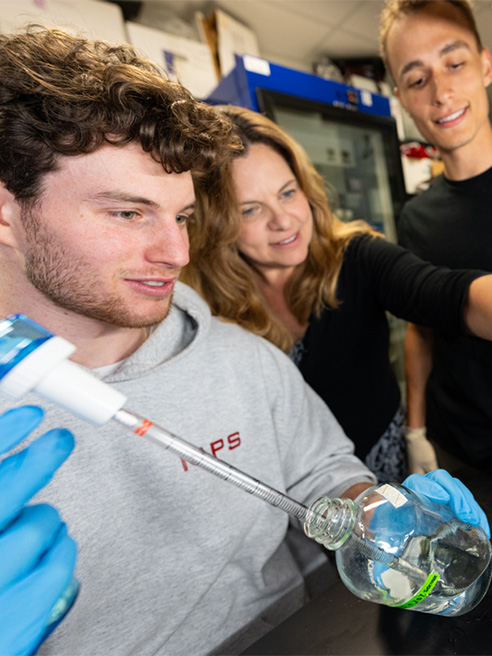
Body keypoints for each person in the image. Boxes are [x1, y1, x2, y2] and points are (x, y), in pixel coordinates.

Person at [0, 25, 488, 656]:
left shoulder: (241, 356)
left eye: (180, 216)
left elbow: (320, 469)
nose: (174, 252)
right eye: (128, 212)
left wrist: (376, 510)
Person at [182, 104, 492, 483]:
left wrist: (415, 432)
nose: (283, 220)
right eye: (250, 210)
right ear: (217, 223)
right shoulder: (207, 304)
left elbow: (447, 293)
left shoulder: (356, 256)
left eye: (287, 192)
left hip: (384, 469)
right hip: (292, 491)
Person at [380, 0, 492, 476]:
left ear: (486, 64)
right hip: (460, 452)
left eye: (454, 63)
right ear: (403, 98)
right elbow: (419, 331)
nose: (441, 93)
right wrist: (417, 431)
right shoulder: (417, 218)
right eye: (417, 79)